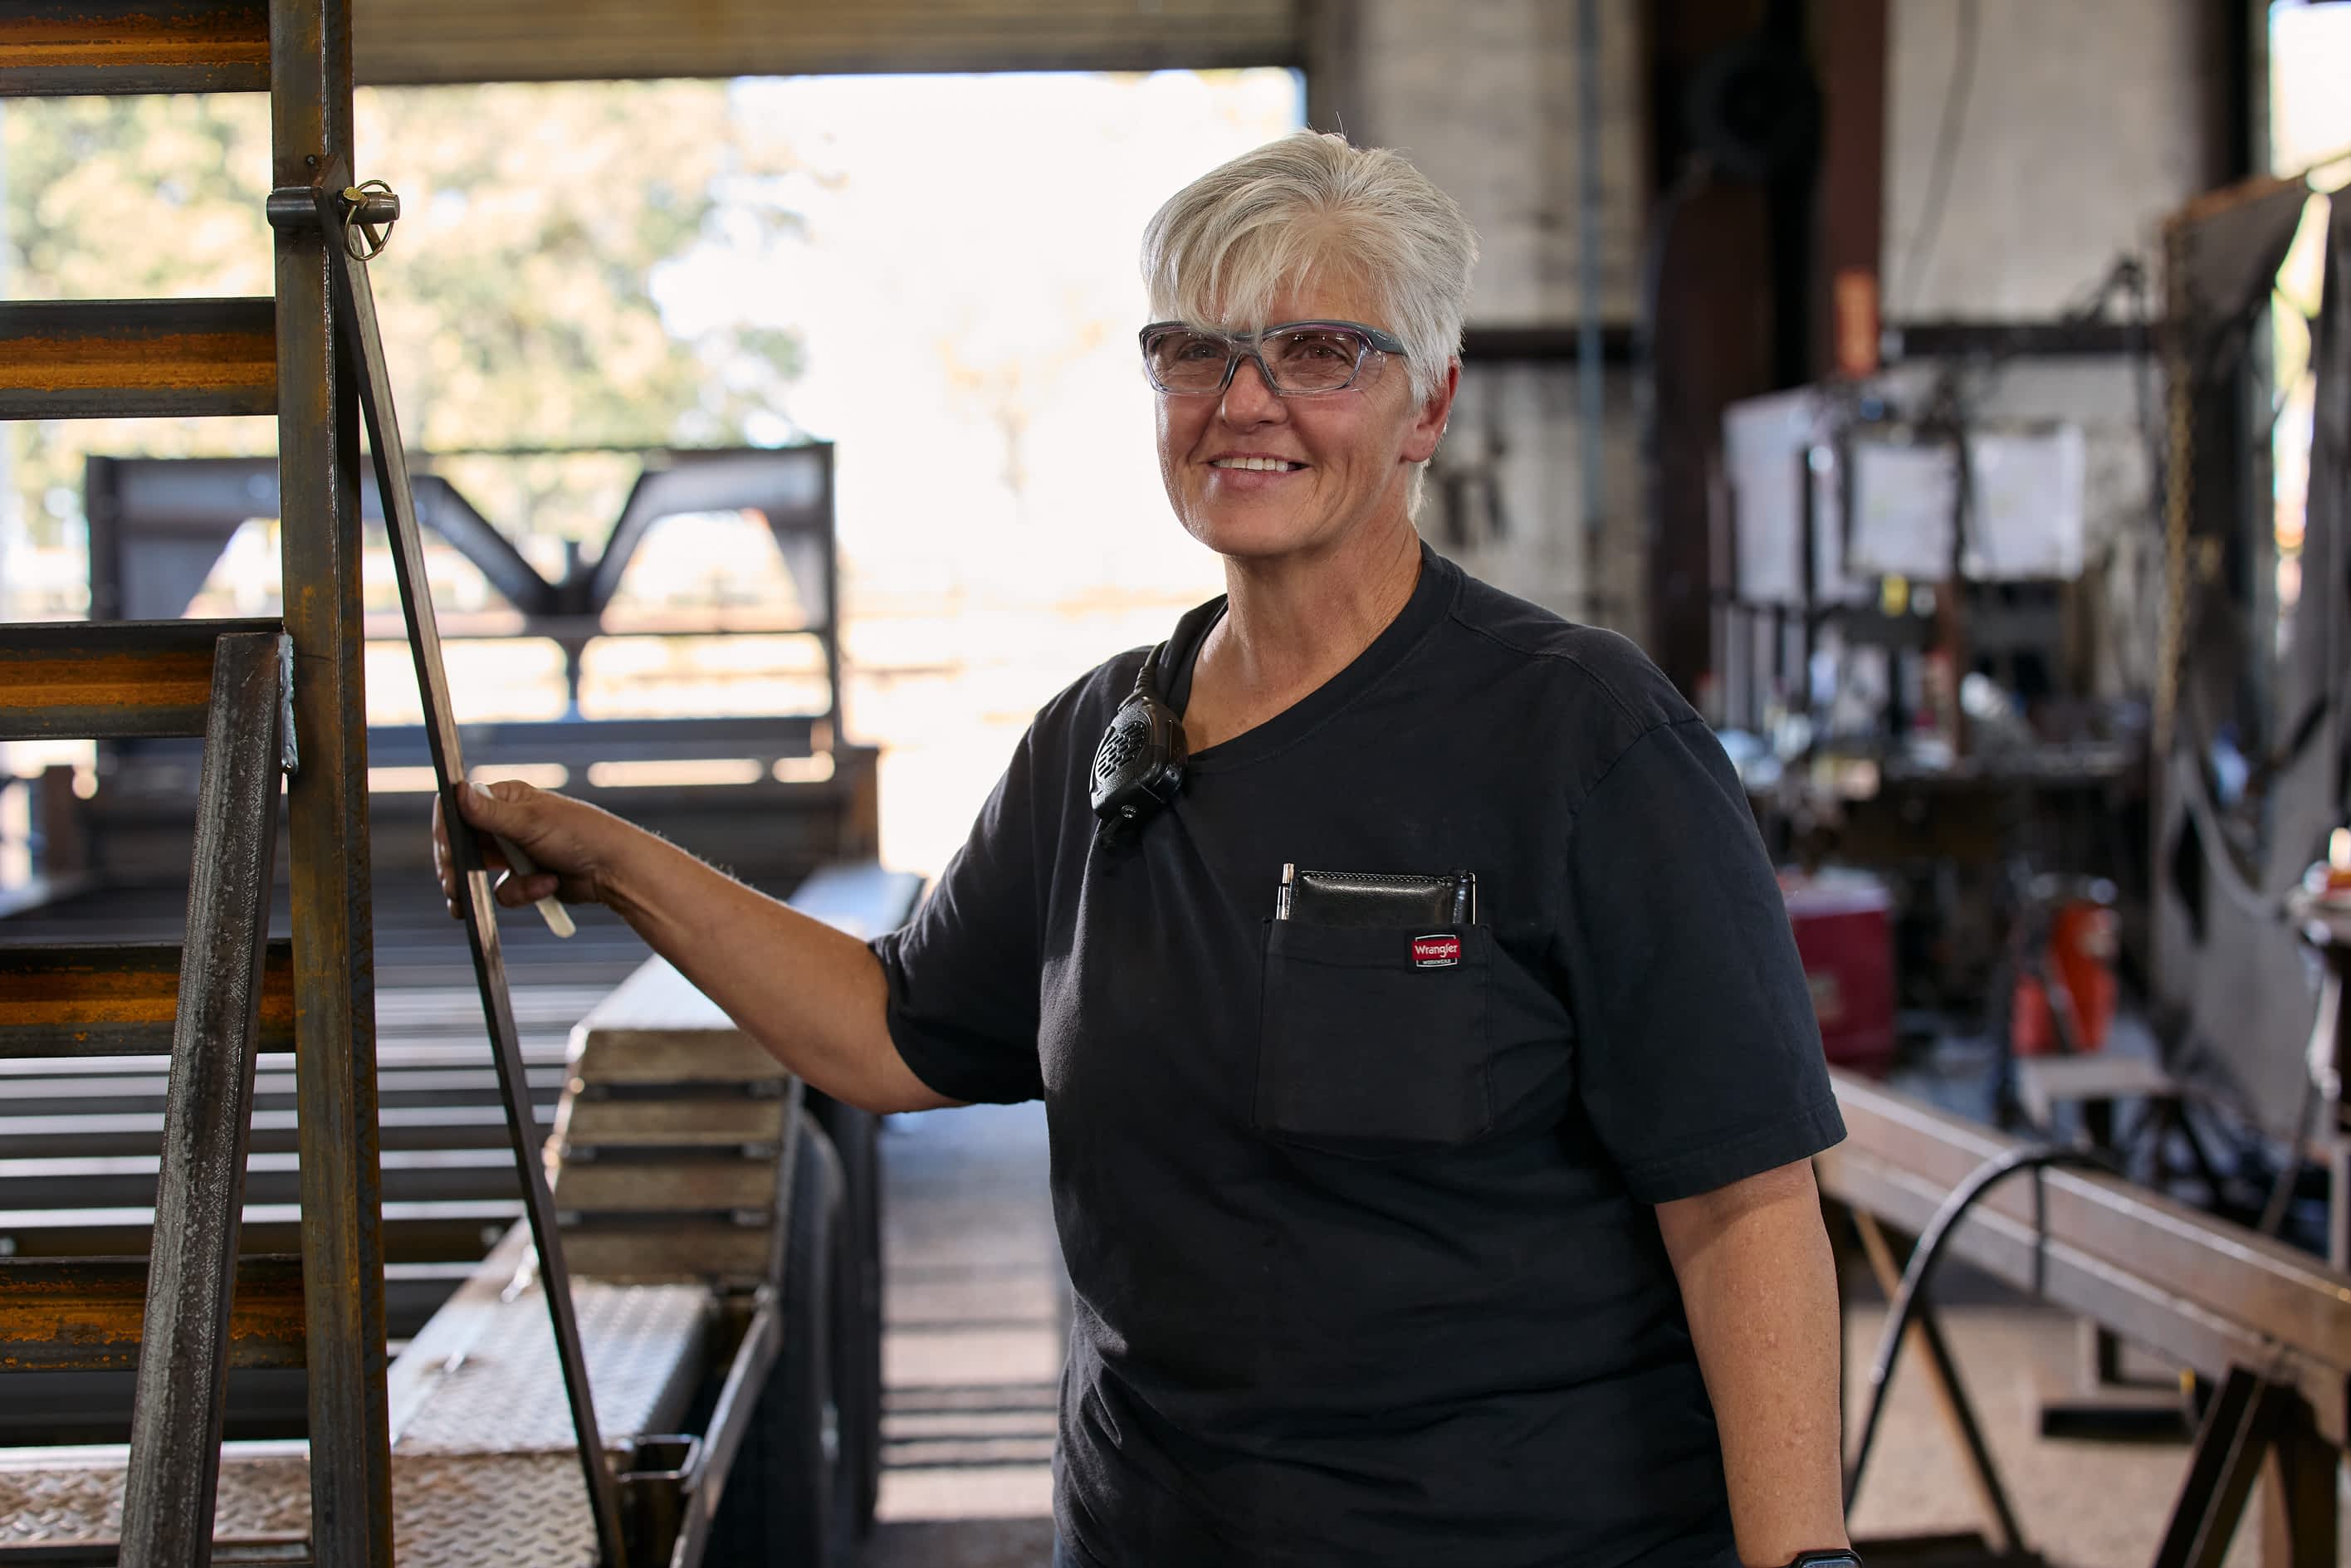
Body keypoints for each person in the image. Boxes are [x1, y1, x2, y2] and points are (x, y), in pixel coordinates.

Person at [437, 130, 1854, 1568]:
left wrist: (1806, 1564)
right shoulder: (1099, 742)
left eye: (1318, 351)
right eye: (1196, 351)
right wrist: (609, 856)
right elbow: (896, 1030)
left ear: (1429, 404)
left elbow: (1743, 1201)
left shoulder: (1582, 739)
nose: (1244, 402)